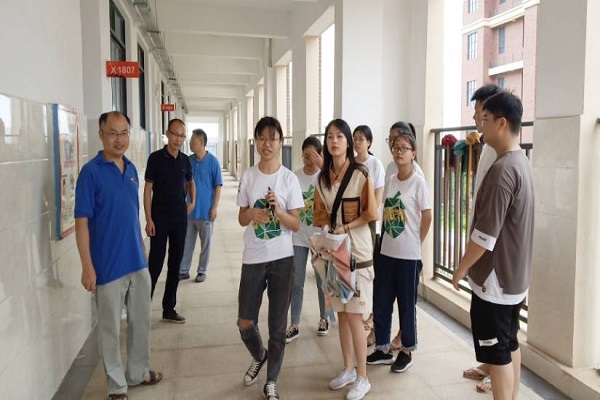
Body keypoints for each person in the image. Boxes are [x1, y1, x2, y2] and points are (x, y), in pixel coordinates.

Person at [75, 111, 162, 400]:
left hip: (136, 261)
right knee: (110, 329)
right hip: (107, 266)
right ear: (101, 135)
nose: (120, 139)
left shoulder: (132, 169)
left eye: (124, 133)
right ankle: (116, 386)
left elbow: (131, 213)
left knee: (141, 322)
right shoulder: (91, 173)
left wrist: (141, 245)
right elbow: (82, 222)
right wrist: (87, 267)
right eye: (113, 133)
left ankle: (137, 372)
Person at [452, 91, 534, 400]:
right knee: (509, 344)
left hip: (494, 282)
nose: (480, 126)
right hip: (513, 279)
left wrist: (461, 269)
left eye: (484, 119)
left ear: (501, 123)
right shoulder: (520, 161)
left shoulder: (502, 171)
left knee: (497, 357)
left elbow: (484, 238)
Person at [236, 116, 304, 400]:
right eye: (262, 138)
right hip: (253, 256)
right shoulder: (249, 176)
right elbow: (242, 218)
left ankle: (272, 380)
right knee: (245, 321)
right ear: (256, 141)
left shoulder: (289, 179)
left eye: (272, 138)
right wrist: (252, 213)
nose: (267, 144)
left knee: (277, 325)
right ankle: (259, 354)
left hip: (282, 260)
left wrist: (279, 211)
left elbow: (296, 224)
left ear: (280, 142)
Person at [313, 119, 378, 400]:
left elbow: (370, 213)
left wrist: (345, 228)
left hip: (358, 256)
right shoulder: (322, 179)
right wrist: (328, 230)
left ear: (349, 142)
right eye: (330, 137)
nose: (334, 141)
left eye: (340, 136)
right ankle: (348, 369)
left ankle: (363, 377)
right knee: (340, 314)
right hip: (334, 256)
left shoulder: (360, 174)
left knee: (355, 316)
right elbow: (319, 214)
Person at [367, 131, 432, 373]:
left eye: (404, 147)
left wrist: (417, 241)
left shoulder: (419, 182)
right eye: (395, 147)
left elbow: (427, 217)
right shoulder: (392, 179)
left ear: (413, 153)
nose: (399, 151)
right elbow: (384, 213)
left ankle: (406, 351)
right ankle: (383, 348)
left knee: (406, 305)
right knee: (381, 301)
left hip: (408, 256)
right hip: (387, 252)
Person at [462, 84, 503, 393]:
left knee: (500, 326)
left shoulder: (504, 157)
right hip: (483, 249)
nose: (475, 117)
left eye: (479, 112)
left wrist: (465, 263)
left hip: (494, 258)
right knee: (486, 321)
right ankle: (489, 365)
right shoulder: (488, 147)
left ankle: (497, 372)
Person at [285, 136, 336, 343]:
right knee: (296, 282)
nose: (308, 160)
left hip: (319, 237)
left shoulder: (325, 177)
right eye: (305, 155)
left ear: (320, 155)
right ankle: (294, 324)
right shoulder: (294, 177)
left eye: (312, 156)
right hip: (298, 236)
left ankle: (325, 318)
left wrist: (323, 166)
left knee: (322, 281)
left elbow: (336, 194)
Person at [144, 118, 195, 323]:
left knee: (175, 264)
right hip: (159, 218)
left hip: (179, 219)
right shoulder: (155, 158)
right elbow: (148, 190)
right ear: (167, 133)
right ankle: (142, 308)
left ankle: (169, 308)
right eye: (175, 134)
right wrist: (148, 219)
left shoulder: (185, 160)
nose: (178, 139)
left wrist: (192, 202)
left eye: (182, 136)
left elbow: (191, 182)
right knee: (155, 264)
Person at [352, 125, 385, 346]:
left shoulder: (375, 164)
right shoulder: (350, 163)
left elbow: (378, 197)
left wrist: (364, 215)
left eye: (361, 139)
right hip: (352, 223)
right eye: (355, 139)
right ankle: (358, 311)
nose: (357, 142)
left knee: (369, 269)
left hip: (369, 223)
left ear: (369, 142)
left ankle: (370, 316)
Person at [178, 128, 223, 283]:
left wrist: (214, 207)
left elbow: (218, 186)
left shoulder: (213, 162)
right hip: (189, 211)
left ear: (201, 142)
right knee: (187, 243)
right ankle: (183, 270)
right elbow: (184, 184)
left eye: (193, 140)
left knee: (206, 245)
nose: (190, 143)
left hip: (206, 211)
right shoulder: (188, 161)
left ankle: (202, 271)